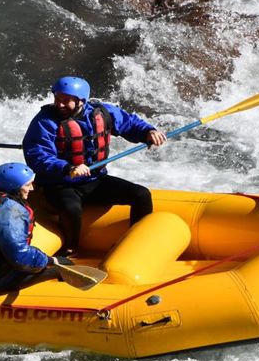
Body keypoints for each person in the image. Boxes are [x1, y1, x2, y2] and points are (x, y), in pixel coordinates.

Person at [22, 76, 167, 257]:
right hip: (60, 183)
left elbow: (129, 123)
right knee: (71, 208)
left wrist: (148, 132)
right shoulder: (45, 121)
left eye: (66, 101)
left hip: (95, 180)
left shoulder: (102, 112)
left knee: (141, 194)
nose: (59, 104)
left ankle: (137, 243)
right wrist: (67, 168)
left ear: (81, 101)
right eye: (57, 99)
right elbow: (37, 154)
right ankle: (70, 249)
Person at [0, 163, 70, 293]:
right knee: (60, 268)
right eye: (27, 185)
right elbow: (18, 255)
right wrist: (50, 260)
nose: (32, 188)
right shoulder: (10, 210)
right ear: (14, 187)